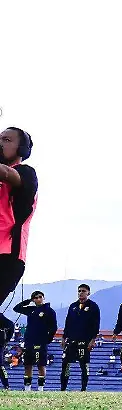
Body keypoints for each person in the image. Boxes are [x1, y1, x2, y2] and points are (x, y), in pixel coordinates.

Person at [0, 127, 37, 310]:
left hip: (7, 256)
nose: (0, 144)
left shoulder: (26, 173)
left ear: (22, 148)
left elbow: (7, 174)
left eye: (7, 140)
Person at [61, 284, 101, 391]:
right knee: (66, 365)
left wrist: (92, 340)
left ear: (88, 293)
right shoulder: (73, 306)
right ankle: (63, 388)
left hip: (85, 341)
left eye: (83, 291)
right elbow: (67, 323)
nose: (81, 293)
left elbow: (96, 325)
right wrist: (64, 338)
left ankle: (83, 389)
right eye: (79, 291)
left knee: (83, 366)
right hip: (71, 340)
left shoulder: (93, 306)